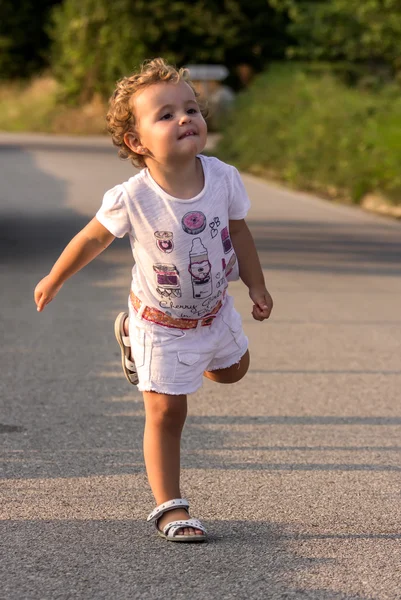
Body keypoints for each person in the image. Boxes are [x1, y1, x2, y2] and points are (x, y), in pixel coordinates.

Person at [34, 58, 273, 543]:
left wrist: (256, 284)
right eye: (165, 115)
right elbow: (91, 239)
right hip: (160, 322)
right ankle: (171, 506)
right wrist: (56, 277)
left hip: (214, 310)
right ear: (137, 142)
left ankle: (179, 357)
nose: (185, 118)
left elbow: (239, 232)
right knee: (168, 410)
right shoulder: (132, 197)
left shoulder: (223, 177)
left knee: (233, 371)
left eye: (191, 109)